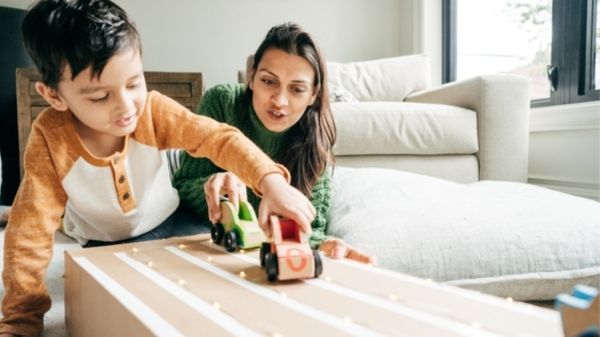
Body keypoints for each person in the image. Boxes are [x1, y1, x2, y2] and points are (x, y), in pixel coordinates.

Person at [0, 2, 316, 337]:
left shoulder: (151, 111)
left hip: (172, 221)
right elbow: (28, 234)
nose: (126, 107)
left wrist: (270, 181)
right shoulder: (51, 138)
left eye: (134, 83)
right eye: (100, 97)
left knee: (226, 281)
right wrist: (21, 320)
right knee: (126, 310)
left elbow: (218, 138)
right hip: (104, 244)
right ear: (53, 96)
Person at [172, 23, 375, 265]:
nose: (279, 101)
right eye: (269, 82)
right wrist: (213, 187)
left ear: (313, 94)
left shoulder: (315, 139)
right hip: (207, 233)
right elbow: (183, 185)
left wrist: (323, 244)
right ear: (251, 78)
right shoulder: (221, 102)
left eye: (297, 89)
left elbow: (313, 226)